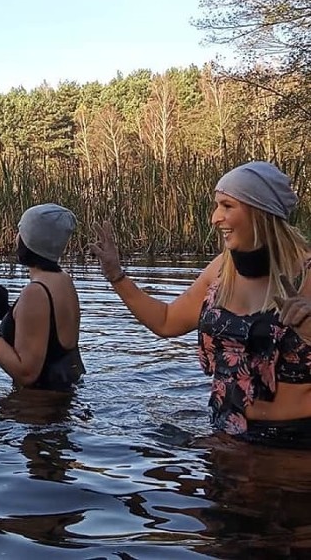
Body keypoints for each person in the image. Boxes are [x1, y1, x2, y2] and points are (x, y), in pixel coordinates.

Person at [90, 160, 311, 447]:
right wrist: (116, 276)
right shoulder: (221, 270)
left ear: (261, 211)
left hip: (292, 445)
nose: (215, 218)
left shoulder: (306, 274)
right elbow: (167, 321)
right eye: (217, 205)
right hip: (224, 434)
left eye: (227, 206)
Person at [0, 203, 85, 390]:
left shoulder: (36, 292)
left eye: (21, 231)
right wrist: (5, 311)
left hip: (35, 409)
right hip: (63, 401)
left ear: (32, 241)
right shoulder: (63, 280)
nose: (16, 237)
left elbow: (26, 373)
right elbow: (46, 340)